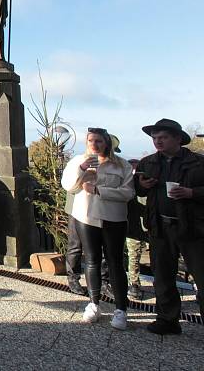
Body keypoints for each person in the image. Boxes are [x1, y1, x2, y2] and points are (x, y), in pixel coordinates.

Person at [135, 118, 204, 335]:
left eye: (163, 137)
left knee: (201, 275)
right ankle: (167, 320)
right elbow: (138, 190)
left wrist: (192, 193)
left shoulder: (198, 162)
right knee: (163, 275)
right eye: (155, 138)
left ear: (177, 139)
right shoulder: (148, 163)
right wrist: (141, 186)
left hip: (192, 228)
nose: (158, 141)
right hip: (160, 227)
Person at [61, 128, 134, 330]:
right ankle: (93, 303)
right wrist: (82, 168)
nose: (94, 144)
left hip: (114, 219)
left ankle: (121, 309)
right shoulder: (78, 161)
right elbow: (67, 185)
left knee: (115, 262)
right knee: (91, 260)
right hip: (85, 217)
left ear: (107, 143)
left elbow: (128, 192)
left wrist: (99, 190)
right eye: (90, 140)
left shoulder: (121, 165)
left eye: (99, 141)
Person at [125, 157, 148, 300]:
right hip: (133, 226)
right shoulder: (126, 183)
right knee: (134, 255)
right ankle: (134, 284)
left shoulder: (148, 183)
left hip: (150, 225)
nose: (135, 172)